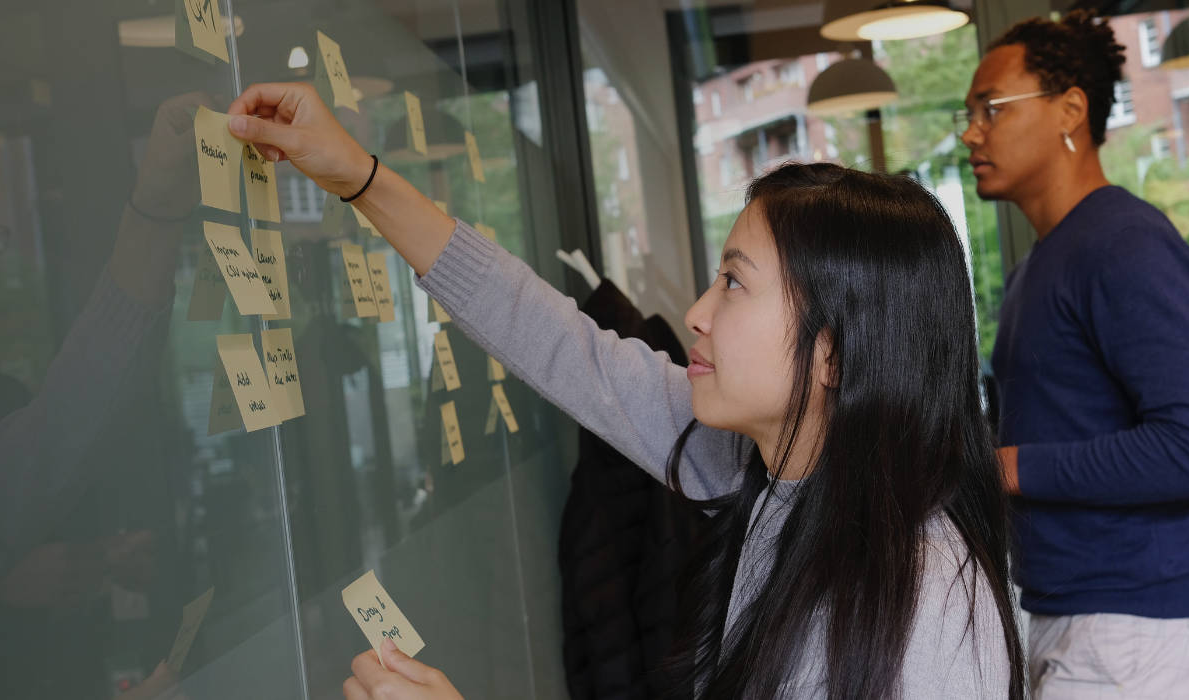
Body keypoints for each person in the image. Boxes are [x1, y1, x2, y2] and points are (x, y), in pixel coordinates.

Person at [226, 82, 1025, 699]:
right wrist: (359, 177)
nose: (695, 314)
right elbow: (552, 338)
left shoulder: (925, 602)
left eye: (734, 285)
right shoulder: (759, 467)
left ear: (834, 355)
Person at [958, 11, 1189, 698]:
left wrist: (1011, 467)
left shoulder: (1124, 242)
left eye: (990, 109)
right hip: (1079, 613)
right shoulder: (1044, 262)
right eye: (968, 114)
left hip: (1143, 622)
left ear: (1071, 109)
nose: (971, 132)